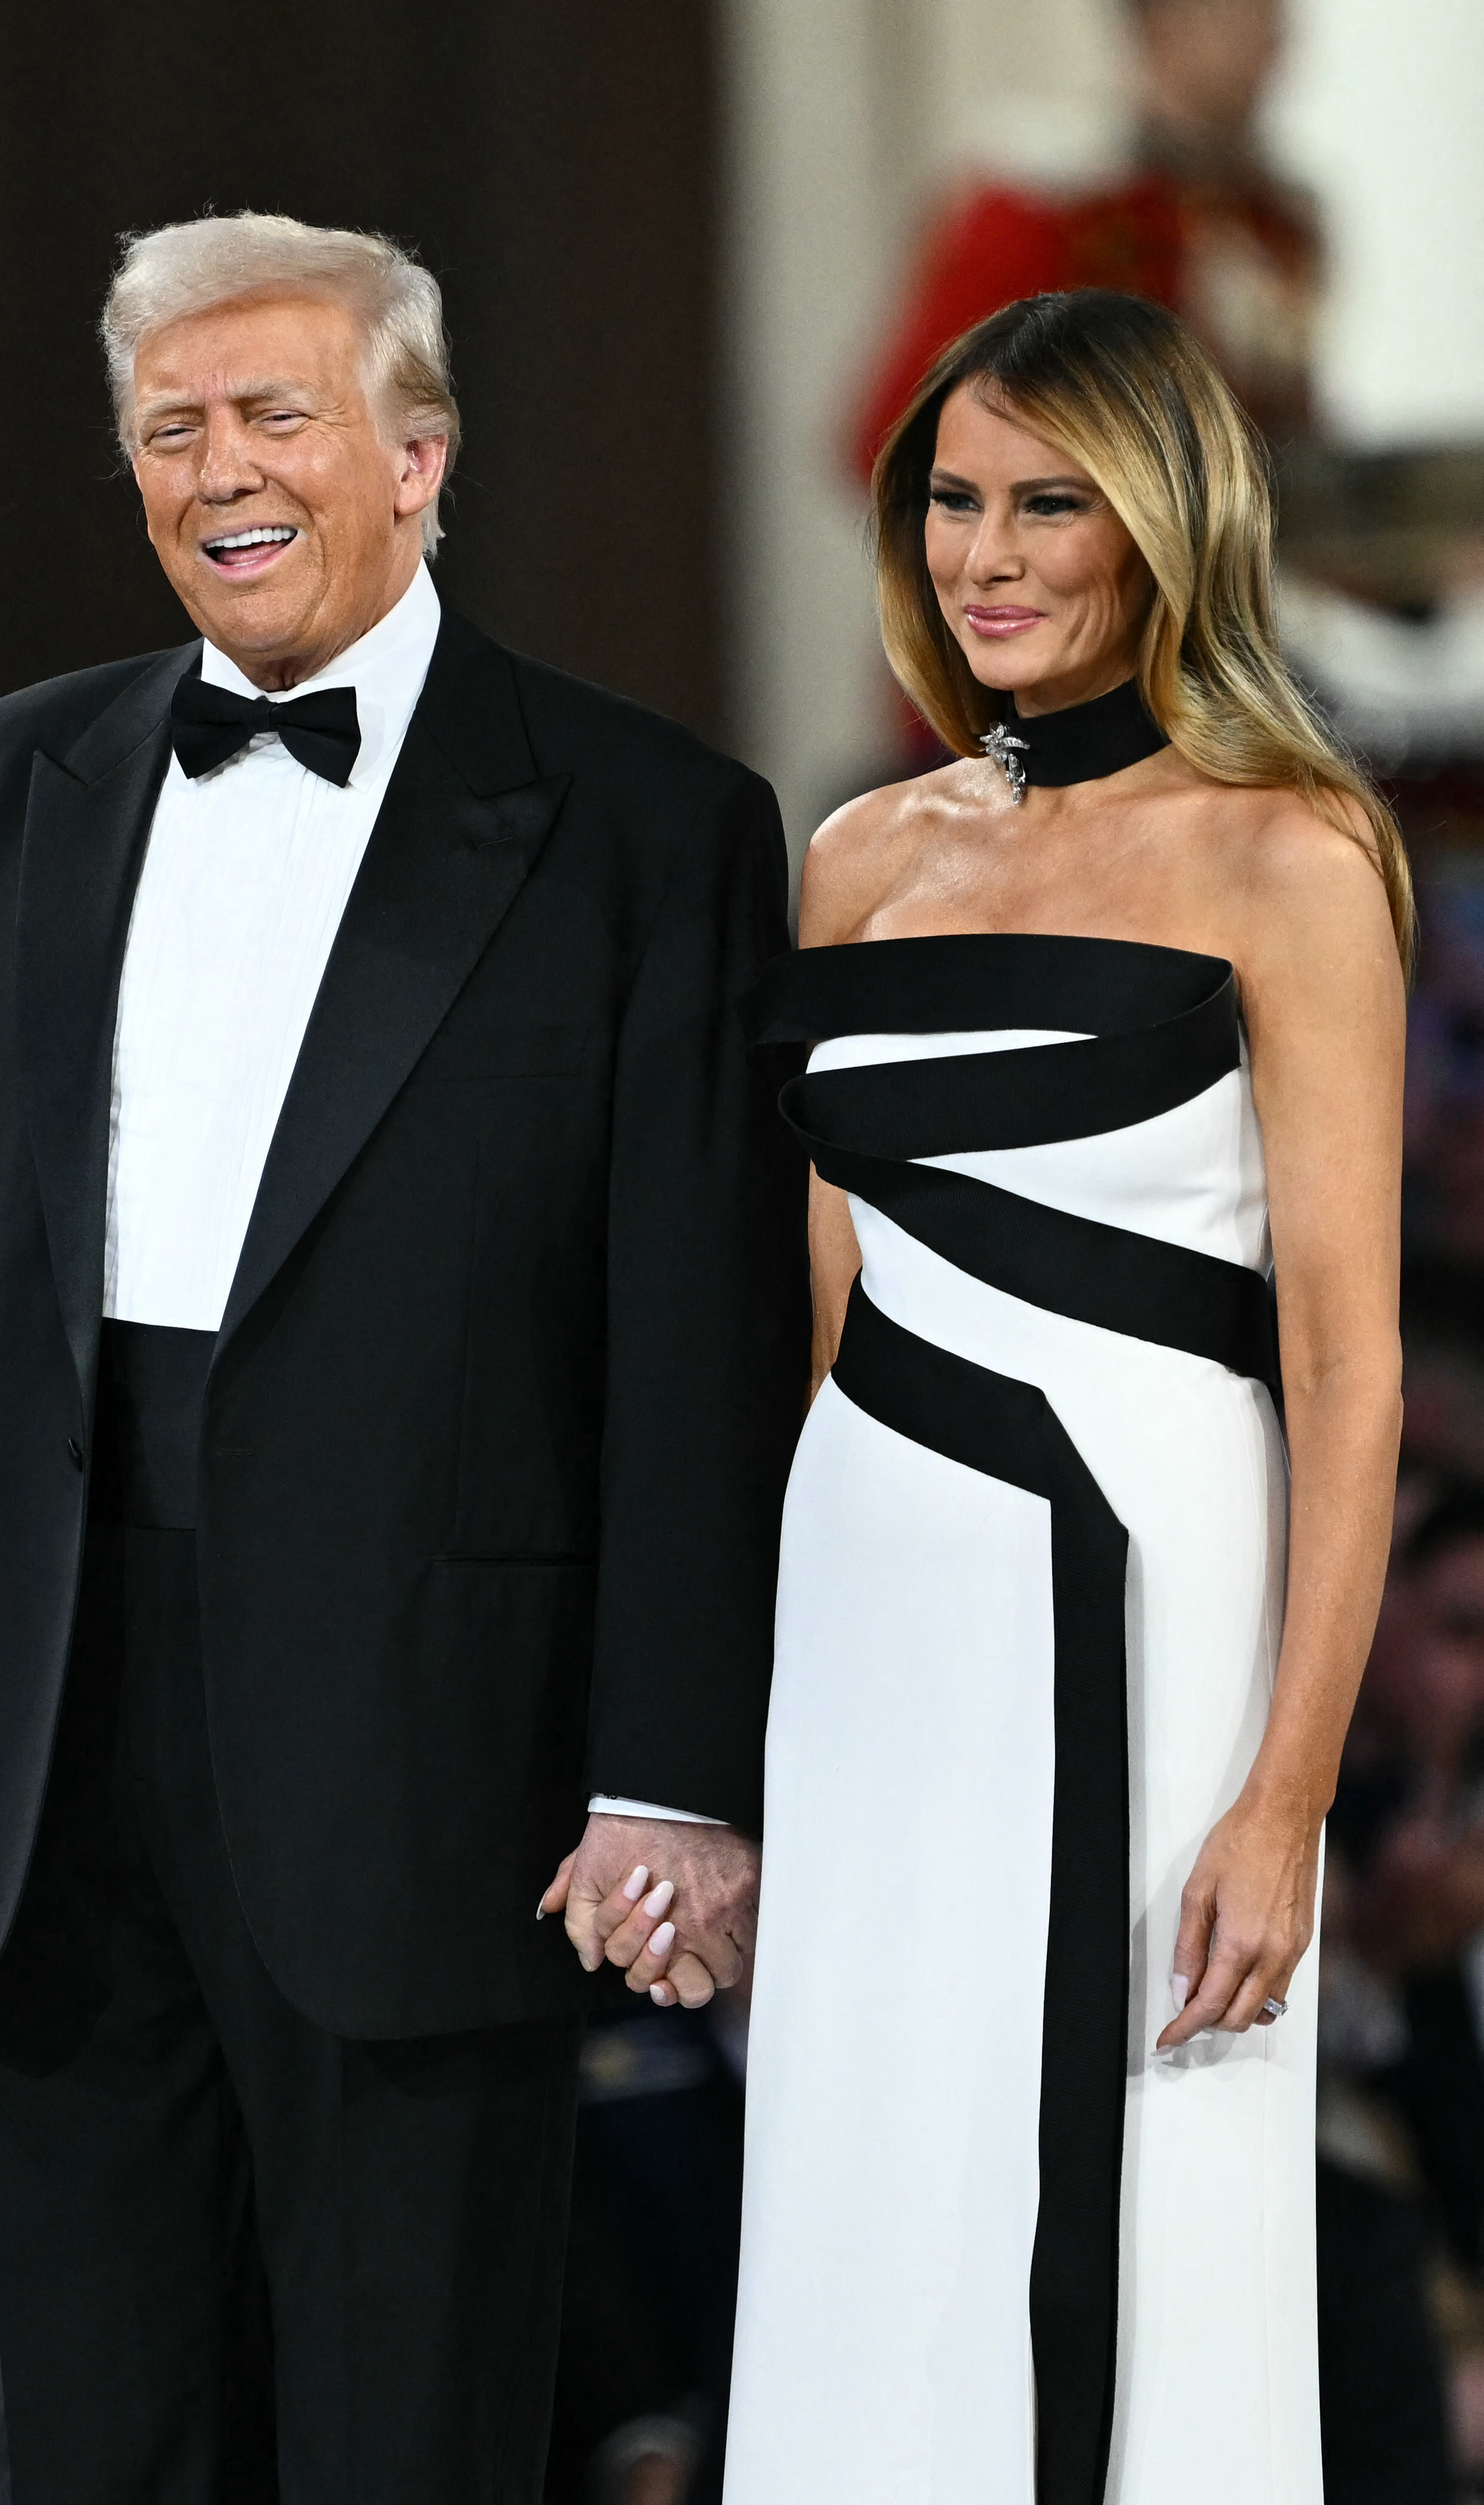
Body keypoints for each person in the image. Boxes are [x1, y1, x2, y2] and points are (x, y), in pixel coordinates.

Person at [0, 210, 807, 2505]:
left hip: (439, 1758)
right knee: (99, 2434)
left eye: (274, 414)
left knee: (411, 2436)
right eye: (171, 430)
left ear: (420, 454)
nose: (218, 468)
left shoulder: (650, 827)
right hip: (47, 1731)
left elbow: (696, 1342)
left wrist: (670, 1770)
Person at [719, 290, 1409, 2500]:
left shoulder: (1287, 858)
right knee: (860, 2178)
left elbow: (1345, 1360)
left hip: (1148, 1597)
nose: (982, 553)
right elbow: (822, 1320)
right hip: (865, 1619)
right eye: (947, 498)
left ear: (1161, 523)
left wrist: (1282, 1792)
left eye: (1045, 502)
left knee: (1131, 2191)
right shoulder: (854, 858)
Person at [849, 0, 1320, 479]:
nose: (1274, 35)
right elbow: (899, 443)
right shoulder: (1046, 208)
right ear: (1162, 24)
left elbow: (1281, 445)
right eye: (1245, 10)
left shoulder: (1279, 226)